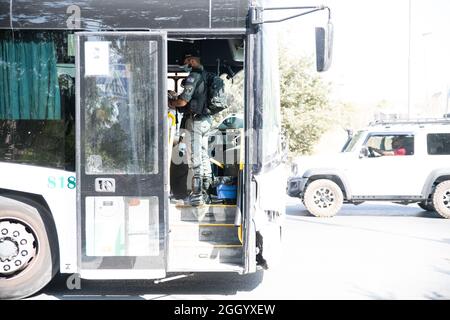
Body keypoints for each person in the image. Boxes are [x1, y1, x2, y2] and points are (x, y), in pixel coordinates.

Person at [168, 52, 212, 206]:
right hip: (206, 121)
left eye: (186, 61)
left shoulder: (193, 76)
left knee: (195, 158)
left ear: (192, 61)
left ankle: (197, 195)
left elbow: (183, 102)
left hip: (195, 121)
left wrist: (171, 101)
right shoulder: (206, 75)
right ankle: (206, 192)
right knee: (204, 156)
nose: (184, 64)